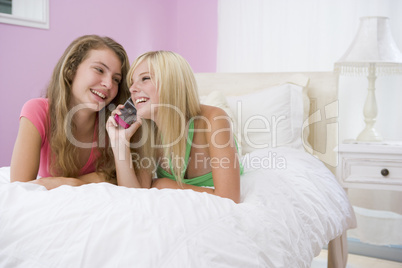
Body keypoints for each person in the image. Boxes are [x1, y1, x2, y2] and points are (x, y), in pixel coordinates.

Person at [107, 51, 242, 203]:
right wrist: (119, 143)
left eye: (145, 78)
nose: (132, 89)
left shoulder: (214, 119)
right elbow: (133, 195)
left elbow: (230, 198)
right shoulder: (145, 128)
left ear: (173, 83)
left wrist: (162, 184)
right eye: (132, 82)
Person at [10, 35, 130, 189]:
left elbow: (115, 176)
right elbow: (20, 186)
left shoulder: (111, 123)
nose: (108, 84)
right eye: (99, 70)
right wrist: (88, 180)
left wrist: (72, 182)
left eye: (116, 80)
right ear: (71, 70)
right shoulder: (37, 111)